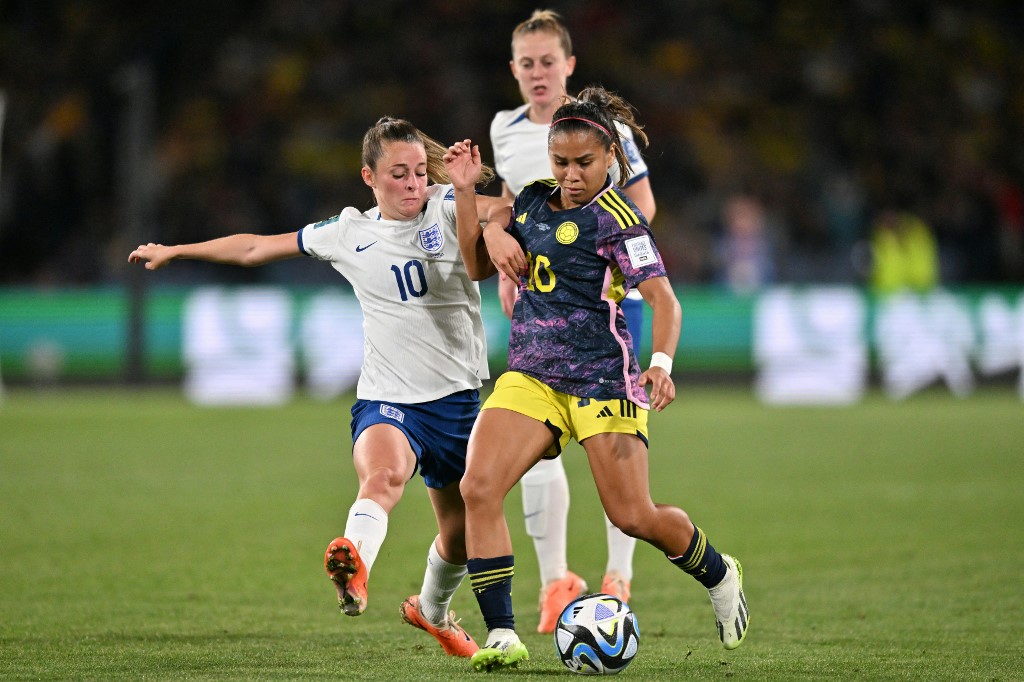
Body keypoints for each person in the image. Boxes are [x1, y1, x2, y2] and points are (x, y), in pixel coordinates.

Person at [128, 117, 513, 659]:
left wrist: (485, 212)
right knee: (382, 477)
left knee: (458, 534)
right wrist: (177, 250)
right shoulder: (348, 232)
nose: (411, 184)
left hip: (456, 399)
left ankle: (432, 611)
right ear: (368, 177)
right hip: (388, 397)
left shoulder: (449, 205)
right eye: (397, 174)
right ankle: (354, 563)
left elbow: (506, 211)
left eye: (419, 173)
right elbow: (256, 248)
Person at [445, 87, 749, 672]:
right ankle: (503, 633)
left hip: (602, 381)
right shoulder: (531, 203)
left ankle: (718, 571)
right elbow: (475, 266)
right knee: (478, 487)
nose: (571, 174)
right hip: (531, 376)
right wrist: (475, 208)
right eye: (561, 162)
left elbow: (664, 301)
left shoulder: (620, 221)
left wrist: (659, 365)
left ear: (610, 155)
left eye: (583, 163)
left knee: (632, 516)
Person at [488, 8, 658, 633]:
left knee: (611, 445)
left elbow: (641, 203)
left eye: (548, 62)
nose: (538, 73)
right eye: (527, 63)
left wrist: (604, 261)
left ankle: (619, 576)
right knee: (536, 449)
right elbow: (511, 209)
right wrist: (508, 261)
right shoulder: (503, 130)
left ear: (570, 65)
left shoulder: (604, 129)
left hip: (609, 302)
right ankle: (556, 581)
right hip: (540, 303)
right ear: (514, 69)